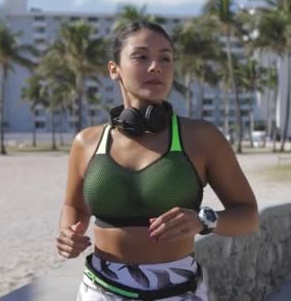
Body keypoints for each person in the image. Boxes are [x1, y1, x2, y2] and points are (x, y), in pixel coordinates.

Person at [56, 21, 259, 301]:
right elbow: (73, 206)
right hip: (102, 290)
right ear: (114, 69)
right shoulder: (87, 142)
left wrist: (203, 221)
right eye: (141, 57)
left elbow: (248, 216)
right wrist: (68, 232)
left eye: (165, 58)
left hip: (179, 291)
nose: (156, 66)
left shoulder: (201, 138)